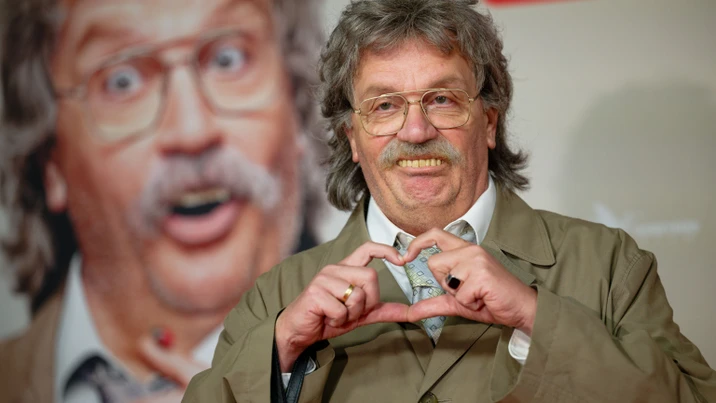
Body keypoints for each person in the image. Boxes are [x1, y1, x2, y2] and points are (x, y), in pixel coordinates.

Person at [181, 0, 716, 402]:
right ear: (351, 137)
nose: (415, 131)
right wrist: (279, 353)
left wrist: (536, 318)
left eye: (442, 99)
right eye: (384, 105)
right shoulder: (277, 298)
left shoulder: (610, 265)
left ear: (489, 121)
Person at [0, 0, 328, 402]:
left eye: (228, 59)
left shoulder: (392, 369)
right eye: (122, 82)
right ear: (50, 158)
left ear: (297, 102)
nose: (192, 132)